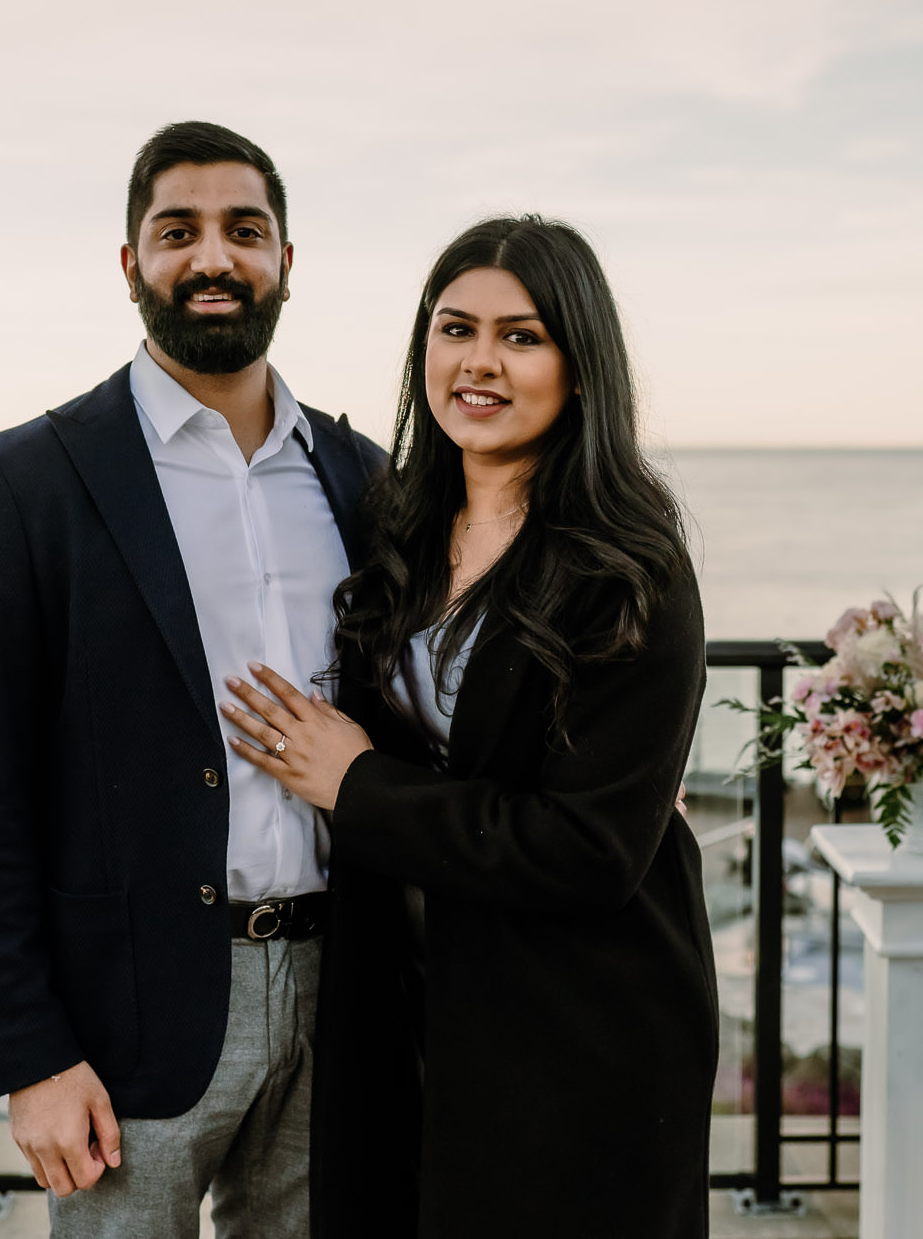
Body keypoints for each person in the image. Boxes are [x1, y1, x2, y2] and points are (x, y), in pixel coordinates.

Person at [218, 215, 718, 1238]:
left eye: (521, 336)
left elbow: (588, 849)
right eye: (454, 330)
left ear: (580, 367)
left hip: (578, 1026)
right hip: (403, 1008)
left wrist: (355, 787)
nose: (478, 362)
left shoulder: (629, 570)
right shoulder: (388, 524)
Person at [0, 120, 383, 1238]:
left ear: (286, 262)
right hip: (127, 1018)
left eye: (245, 230)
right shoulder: (26, 481)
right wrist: (29, 1053)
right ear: (131, 265)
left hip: (346, 995)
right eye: (177, 231)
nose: (212, 258)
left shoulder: (361, 476)